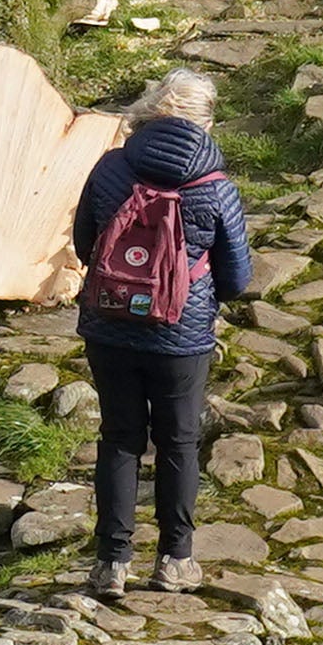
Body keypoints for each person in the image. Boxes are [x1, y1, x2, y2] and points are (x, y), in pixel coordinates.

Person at [71, 68, 255, 593]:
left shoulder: (110, 168)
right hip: (182, 336)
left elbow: (86, 245)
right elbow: (238, 280)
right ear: (206, 123)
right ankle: (175, 560)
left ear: (153, 108)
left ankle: (111, 564)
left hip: (108, 326)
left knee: (119, 437)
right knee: (178, 442)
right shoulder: (215, 187)